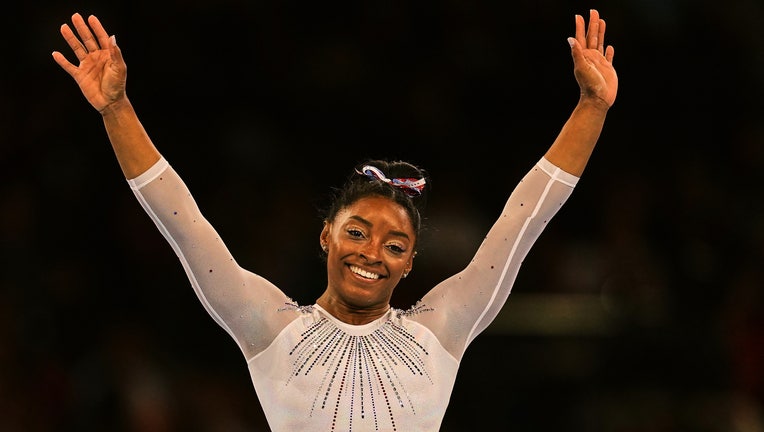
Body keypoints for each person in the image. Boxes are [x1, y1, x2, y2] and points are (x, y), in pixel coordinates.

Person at [52, 8, 617, 431]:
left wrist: (591, 107)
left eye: (395, 245)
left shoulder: (441, 330)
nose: (372, 252)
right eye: (357, 231)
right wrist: (116, 109)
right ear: (325, 235)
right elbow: (184, 223)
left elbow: (524, 219)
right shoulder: (270, 328)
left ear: (410, 264)